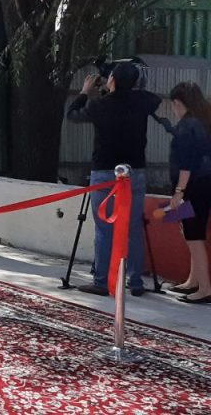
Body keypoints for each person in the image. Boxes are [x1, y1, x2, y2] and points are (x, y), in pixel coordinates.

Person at [66, 64, 160, 297]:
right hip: (134, 171)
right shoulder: (142, 102)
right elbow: (153, 99)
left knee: (104, 228)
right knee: (134, 228)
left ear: (113, 81)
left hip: (105, 171)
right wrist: (132, 85)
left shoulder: (99, 105)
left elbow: (72, 116)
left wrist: (85, 91)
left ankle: (102, 281)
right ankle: (135, 281)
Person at [164, 82, 211, 304]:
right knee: (192, 232)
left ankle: (205, 288)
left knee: (193, 236)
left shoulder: (187, 125)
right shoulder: (204, 120)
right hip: (204, 186)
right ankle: (193, 280)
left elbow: (186, 164)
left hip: (191, 187)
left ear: (177, 103)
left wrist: (178, 193)